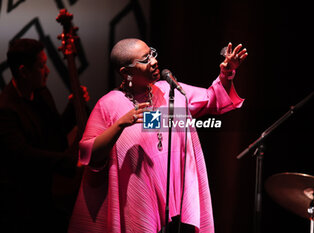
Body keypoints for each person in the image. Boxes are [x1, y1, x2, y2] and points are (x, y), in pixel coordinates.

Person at [68, 38, 247, 233]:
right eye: (144, 60)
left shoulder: (170, 91)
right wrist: (120, 124)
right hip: (140, 204)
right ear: (126, 72)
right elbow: (89, 154)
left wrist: (227, 73)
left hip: (177, 208)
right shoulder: (109, 105)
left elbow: (213, 99)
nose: (153, 61)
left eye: (151, 54)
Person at [0, 38, 88, 232]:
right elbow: (24, 155)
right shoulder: (5, 109)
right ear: (23, 71)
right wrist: (72, 164)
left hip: (46, 194)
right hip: (22, 203)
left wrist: (74, 107)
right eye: (41, 66)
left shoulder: (40, 92)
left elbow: (54, 134)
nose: (47, 71)